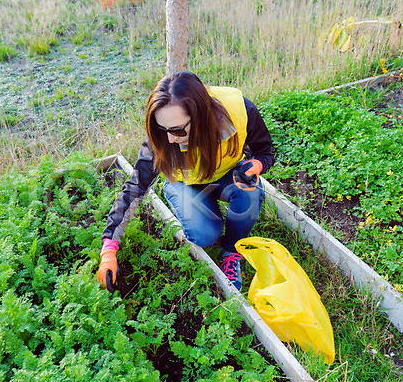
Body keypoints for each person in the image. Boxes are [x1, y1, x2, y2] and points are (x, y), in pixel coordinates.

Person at [97, 71, 275, 292]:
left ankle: (231, 252)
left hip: (224, 176)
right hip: (185, 182)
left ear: (201, 116)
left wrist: (257, 165)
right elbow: (135, 187)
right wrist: (109, 250)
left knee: (250, 190)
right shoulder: (164, 138)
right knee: (205, 234)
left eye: (178, 130)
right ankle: (177, 193)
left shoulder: (239, 111)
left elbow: (265, 151)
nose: (170, 138)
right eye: (163, 129)